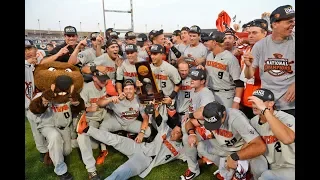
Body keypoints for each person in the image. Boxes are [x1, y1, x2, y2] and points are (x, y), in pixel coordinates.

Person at [76, 98, 185, 180]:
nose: (173, 132)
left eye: (177, 132)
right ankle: (86, 129)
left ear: (182, 136)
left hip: (145, 160)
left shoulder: (182, 150)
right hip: (139, 147)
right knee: (115, 139)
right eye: (174, 129)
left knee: (122, 172)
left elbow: (196, 159)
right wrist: (155, 109)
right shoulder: (166, 130)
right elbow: (159, 119)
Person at [244, 5, 295, 116]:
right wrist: (248, 66)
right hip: (267, 104)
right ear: (275, 24)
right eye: (289, 22)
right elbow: (248, 76)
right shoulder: (260, 45)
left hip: (291, 105)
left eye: (293, 21)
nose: (293, 24)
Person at [193, 101, 266, 179]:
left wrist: (235, 157)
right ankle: (227, 168)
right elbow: (189, 121)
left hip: (243, 149)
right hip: (225, 148)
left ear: (224, 114)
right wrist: (191, 133)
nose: (215, 126)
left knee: (260, 168)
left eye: (216, 123)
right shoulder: (208, 115)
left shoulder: (236, 118)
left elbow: (260, 146)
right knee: (201, 146)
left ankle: (240, 169)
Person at [95, 79, 152, 164]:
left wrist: (141, 133)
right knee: (103, 127)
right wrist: (111, 99)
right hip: (117, 121)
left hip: (131, 123)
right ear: (123, 90)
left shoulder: (139, 99)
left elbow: (145, 118)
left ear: (134, 89)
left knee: (147, 131)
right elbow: (99, 103)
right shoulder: (117, 98)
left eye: (130, 89)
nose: (128, 91)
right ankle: (104, 150)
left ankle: (130, 135)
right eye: (126, 89)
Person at [248, 88, 295, 180]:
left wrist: (265, 111)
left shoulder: (287, 118)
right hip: (270, 165)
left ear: (271, 104)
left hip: (291, 166)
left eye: (259, 102)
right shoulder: (253, 122)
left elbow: (288, 139)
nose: (255, 105)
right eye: (253, 102)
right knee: (254, 161)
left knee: (267, 176)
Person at [180, 68, 215, 180]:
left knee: (186, 138)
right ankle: (200, 159)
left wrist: (191, 117)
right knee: (187, 134)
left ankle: (194, 169)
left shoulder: (206, 93)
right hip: (197, 124)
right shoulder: (195, 90)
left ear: (203, 81)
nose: (192, 80)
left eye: (195, 79)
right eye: (192, 78)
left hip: (207, 128)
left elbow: (204, 113)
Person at [77, 70, 110, 180]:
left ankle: (104, 147)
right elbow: (76, 107)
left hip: (104, 116)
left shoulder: (105, 85)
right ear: (94, 78)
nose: (104, 81)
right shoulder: (86, 89)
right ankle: (91, 170)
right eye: (101, 79)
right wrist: (87, 108)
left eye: (105, 78)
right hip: (91, 118)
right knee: (83, 138)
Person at [201, 31, 244, 109]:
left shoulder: (230, 58)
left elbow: (239, 83)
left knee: (225, 119)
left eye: (208, 41)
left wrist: (236, 101)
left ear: (214, 42)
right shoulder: (209, 55)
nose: (206, 43)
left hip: (225, 95)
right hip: (210, 93)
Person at [239, 19, 268, 119]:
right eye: (249, 33)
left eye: (254, 33)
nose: (250, 35)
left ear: (264, 33)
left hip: (262, 99)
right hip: (247, 97)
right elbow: (246, 76)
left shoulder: (269, 50)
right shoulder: (247, 49)